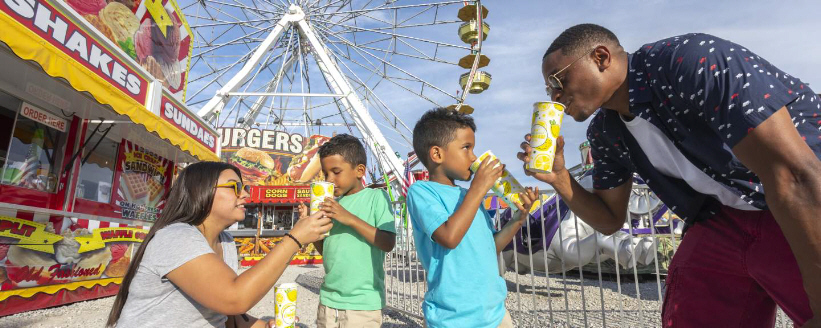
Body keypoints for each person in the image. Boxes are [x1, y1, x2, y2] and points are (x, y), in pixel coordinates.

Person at [518, 24, 821, 327]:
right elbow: (609, 219)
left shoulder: (689, 61)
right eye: (549, 89)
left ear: (600, 57)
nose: (555, 95)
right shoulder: (606, 132)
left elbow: (795, 175)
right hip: (724, 218)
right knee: (691, 302)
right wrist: (559, 177)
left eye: (558, 79)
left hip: (800, 199)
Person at [106, 161, 332, 328]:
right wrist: (294, 240)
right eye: (235, 187)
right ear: (201, 192)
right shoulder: (176, 237)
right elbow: (234, 299)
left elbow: (228, 317)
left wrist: (266, 326)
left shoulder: (225, 242)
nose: (245, 195)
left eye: (245, 188)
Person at [406, 108, 539, 328]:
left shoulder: (468, 196)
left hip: (495, 312)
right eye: (466, 148)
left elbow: (490, 246)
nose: (474, 157)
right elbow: (449, 237)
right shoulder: (421, 192)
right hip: (454, 317)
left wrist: (518, 218)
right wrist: (479, 187)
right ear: (437, 154)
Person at [296, 134, 396, 328]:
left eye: (336, 172)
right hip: (327, 299)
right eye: (325, 174)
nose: (329, 180)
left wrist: (348, 218)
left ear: (359, 171)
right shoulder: (333, 205)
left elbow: (387, 242)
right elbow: (328, 251)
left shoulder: (376, 197)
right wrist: (309, 226)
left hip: (362, 304)